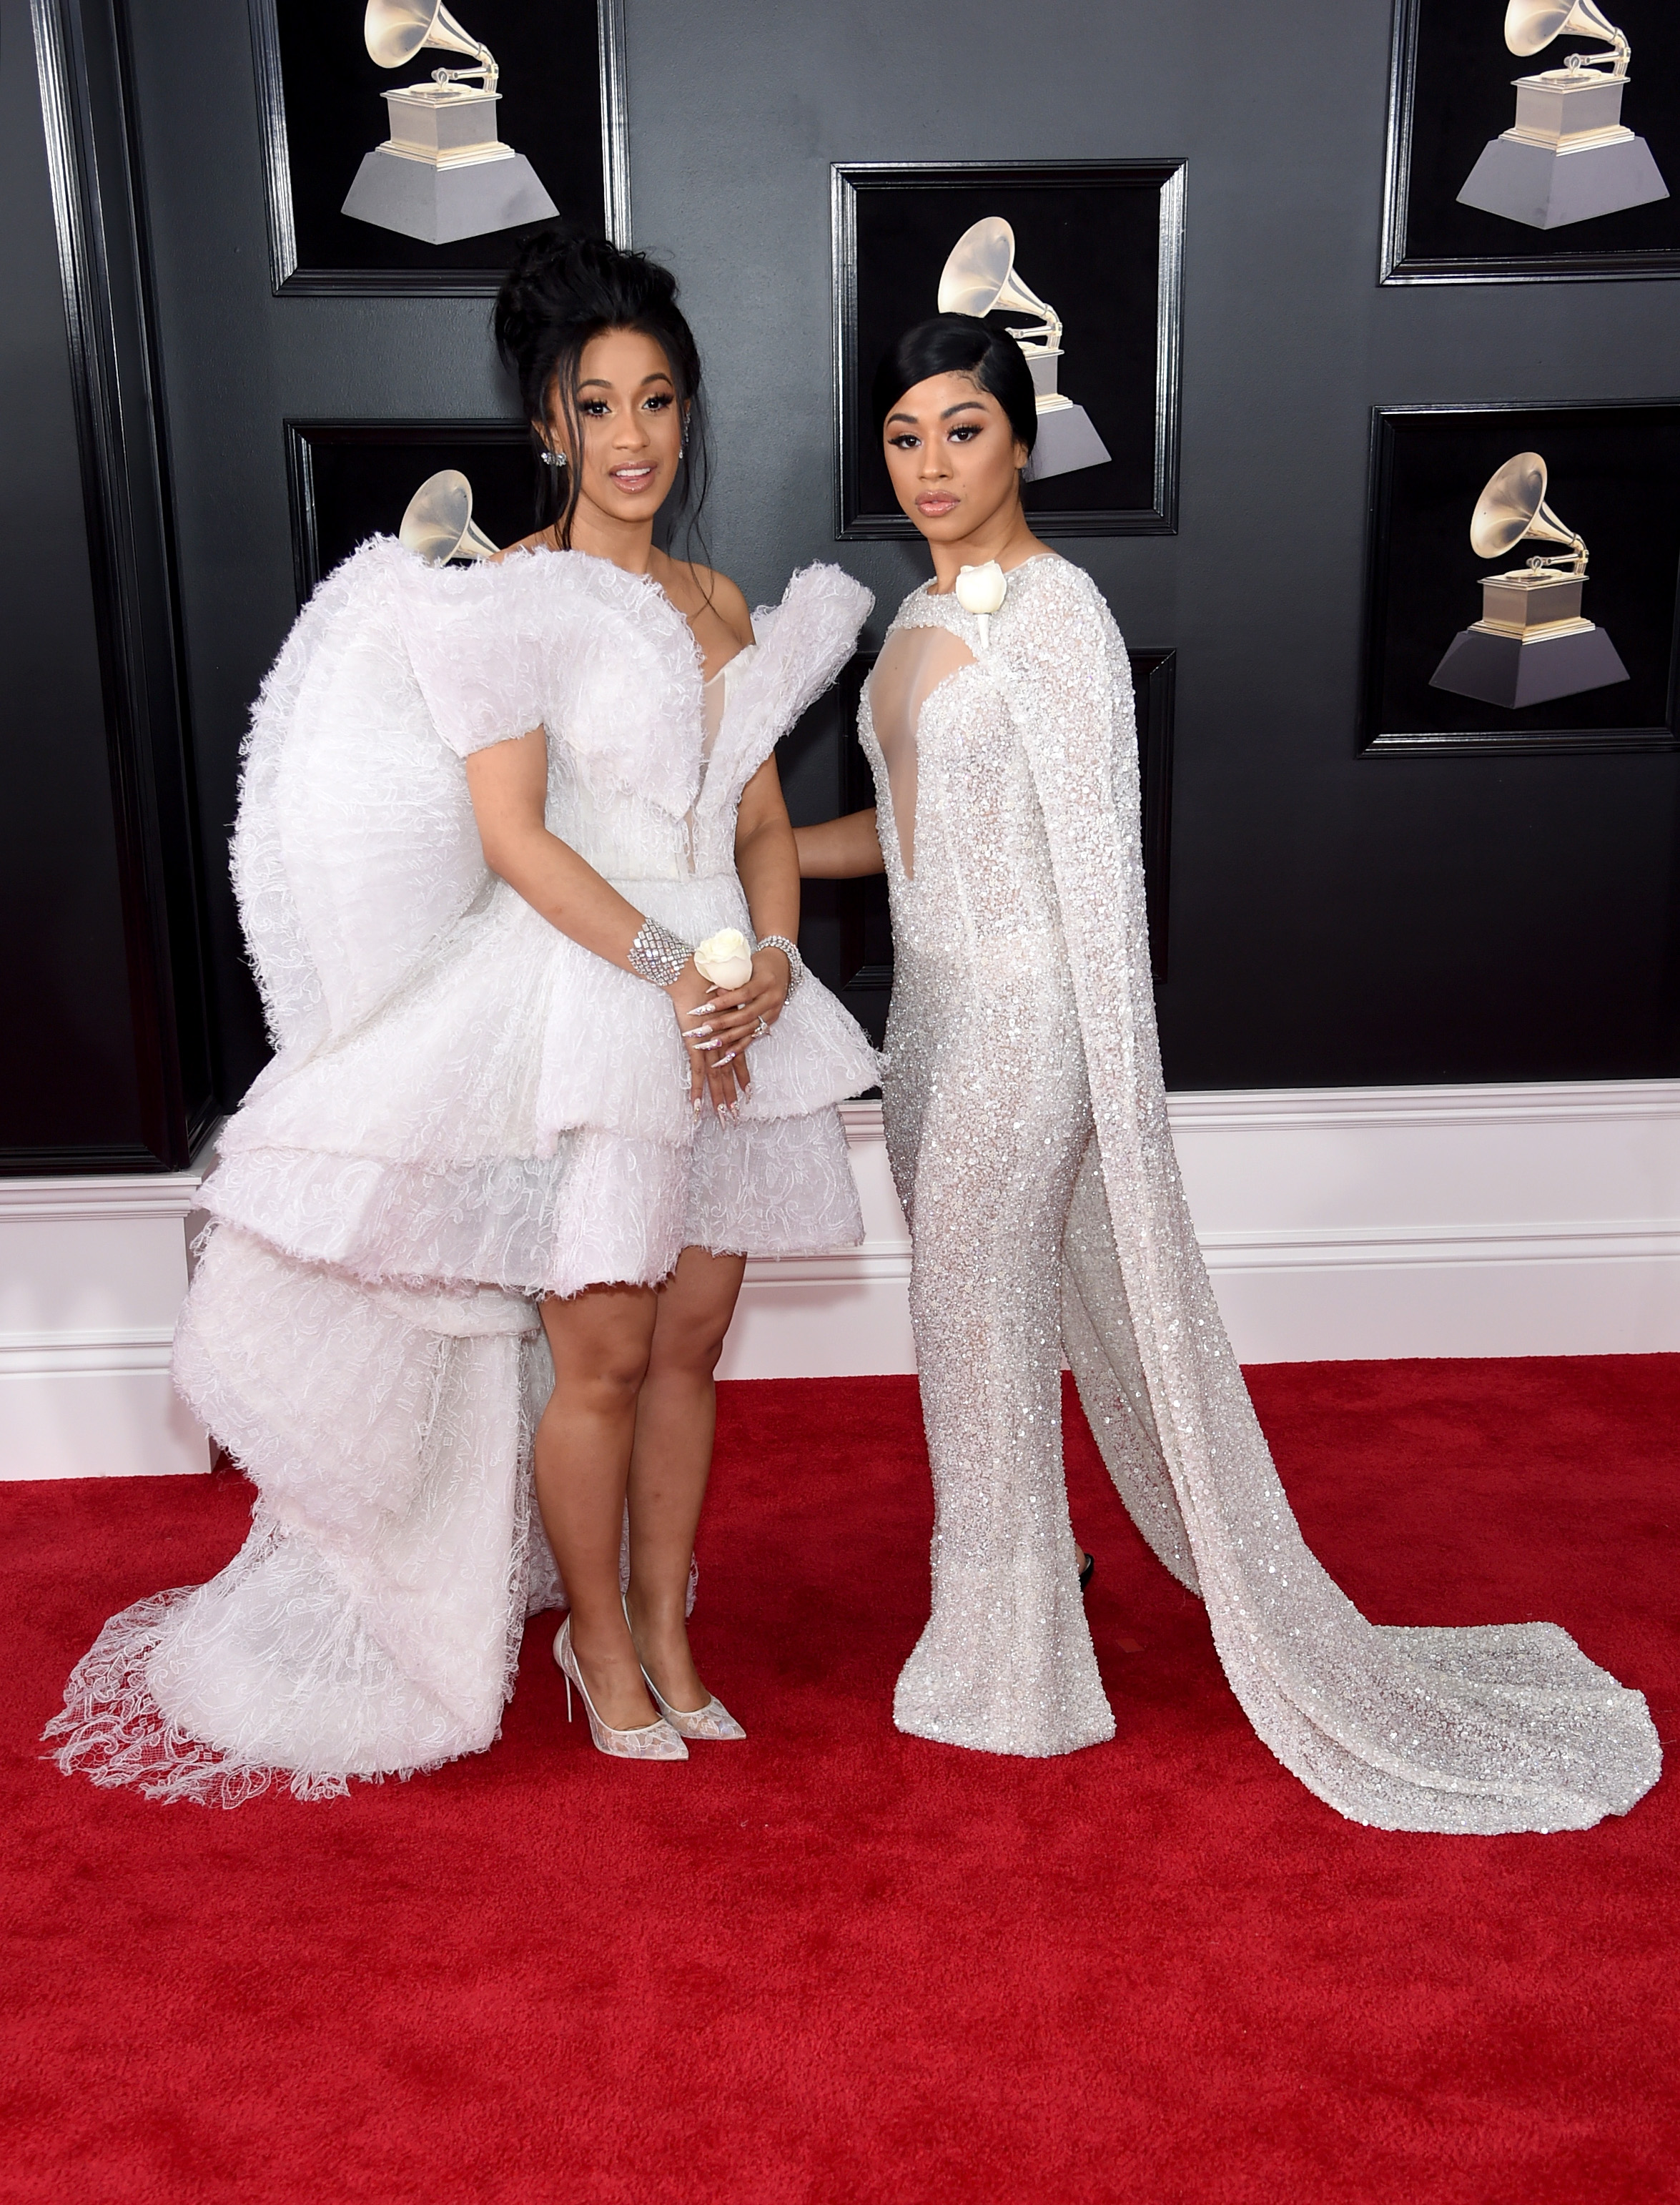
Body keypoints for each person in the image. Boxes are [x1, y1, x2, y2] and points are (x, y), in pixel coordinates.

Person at [794, 310, 1660, 1831]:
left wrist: (1105, 1088)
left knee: (978, 1335)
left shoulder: (1057, 620)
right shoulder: (905, 625)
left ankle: (1015, 1670)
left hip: (1030, 1030)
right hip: (926, 1029)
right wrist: (758, 858)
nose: (931, 465)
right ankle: (1017, 1593)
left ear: (1022, 440)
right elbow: (912, 842)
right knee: (968, 1331)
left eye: (963, 431)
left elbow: (1101, 878)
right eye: (904, 437)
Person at [47, 231, 877, 1800]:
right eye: (597, 404)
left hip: (728, 1004)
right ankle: (598, 1649)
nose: (632, 435)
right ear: (548, 425)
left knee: (696, 1338)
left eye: (658, 401)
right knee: (608, 1353)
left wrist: (765, 958)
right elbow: (513, 838)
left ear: (686, 418)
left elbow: (760, 819)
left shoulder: (714, 600)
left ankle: (662, 1620)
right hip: (586, 991)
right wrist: (669, 975)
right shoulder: (507, 595)